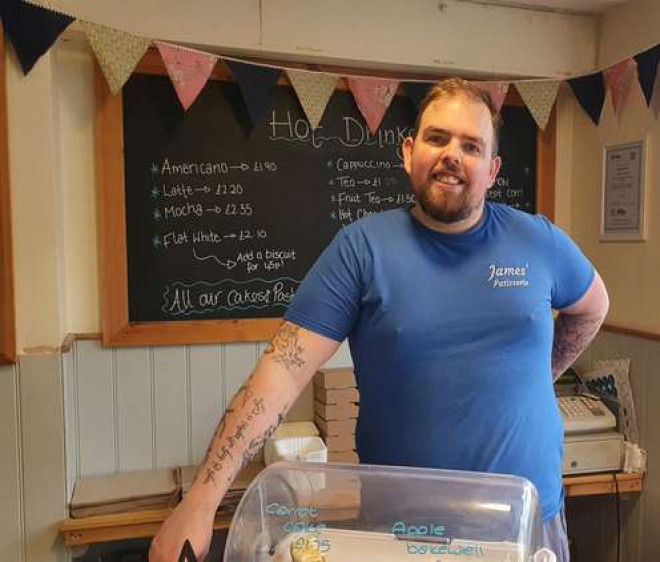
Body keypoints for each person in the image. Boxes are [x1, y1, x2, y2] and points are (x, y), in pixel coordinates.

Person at [149, 77, 609, 562]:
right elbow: (283, 369)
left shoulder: (539, 241)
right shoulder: (361, 249)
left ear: (492, 169)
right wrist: (200, 501)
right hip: (401, 533)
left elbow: (593, 307)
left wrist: (542, 375)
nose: (452, 154)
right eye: (437, 138)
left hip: (526, 525)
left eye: (471, 146)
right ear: (408, 152)